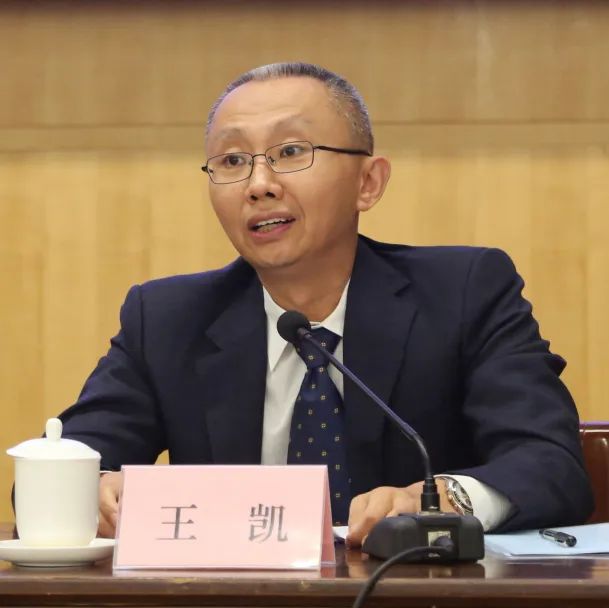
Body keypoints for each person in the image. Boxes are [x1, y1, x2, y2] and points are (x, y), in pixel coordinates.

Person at [56, 62, 593, 545]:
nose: (258, 184)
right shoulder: (166, 318)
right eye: (233, 160)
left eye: (291, 152)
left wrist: (442, 500)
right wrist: (92, 489)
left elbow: (551, 464)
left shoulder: (464, 293)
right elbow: (63, 463)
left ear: (368, 182)